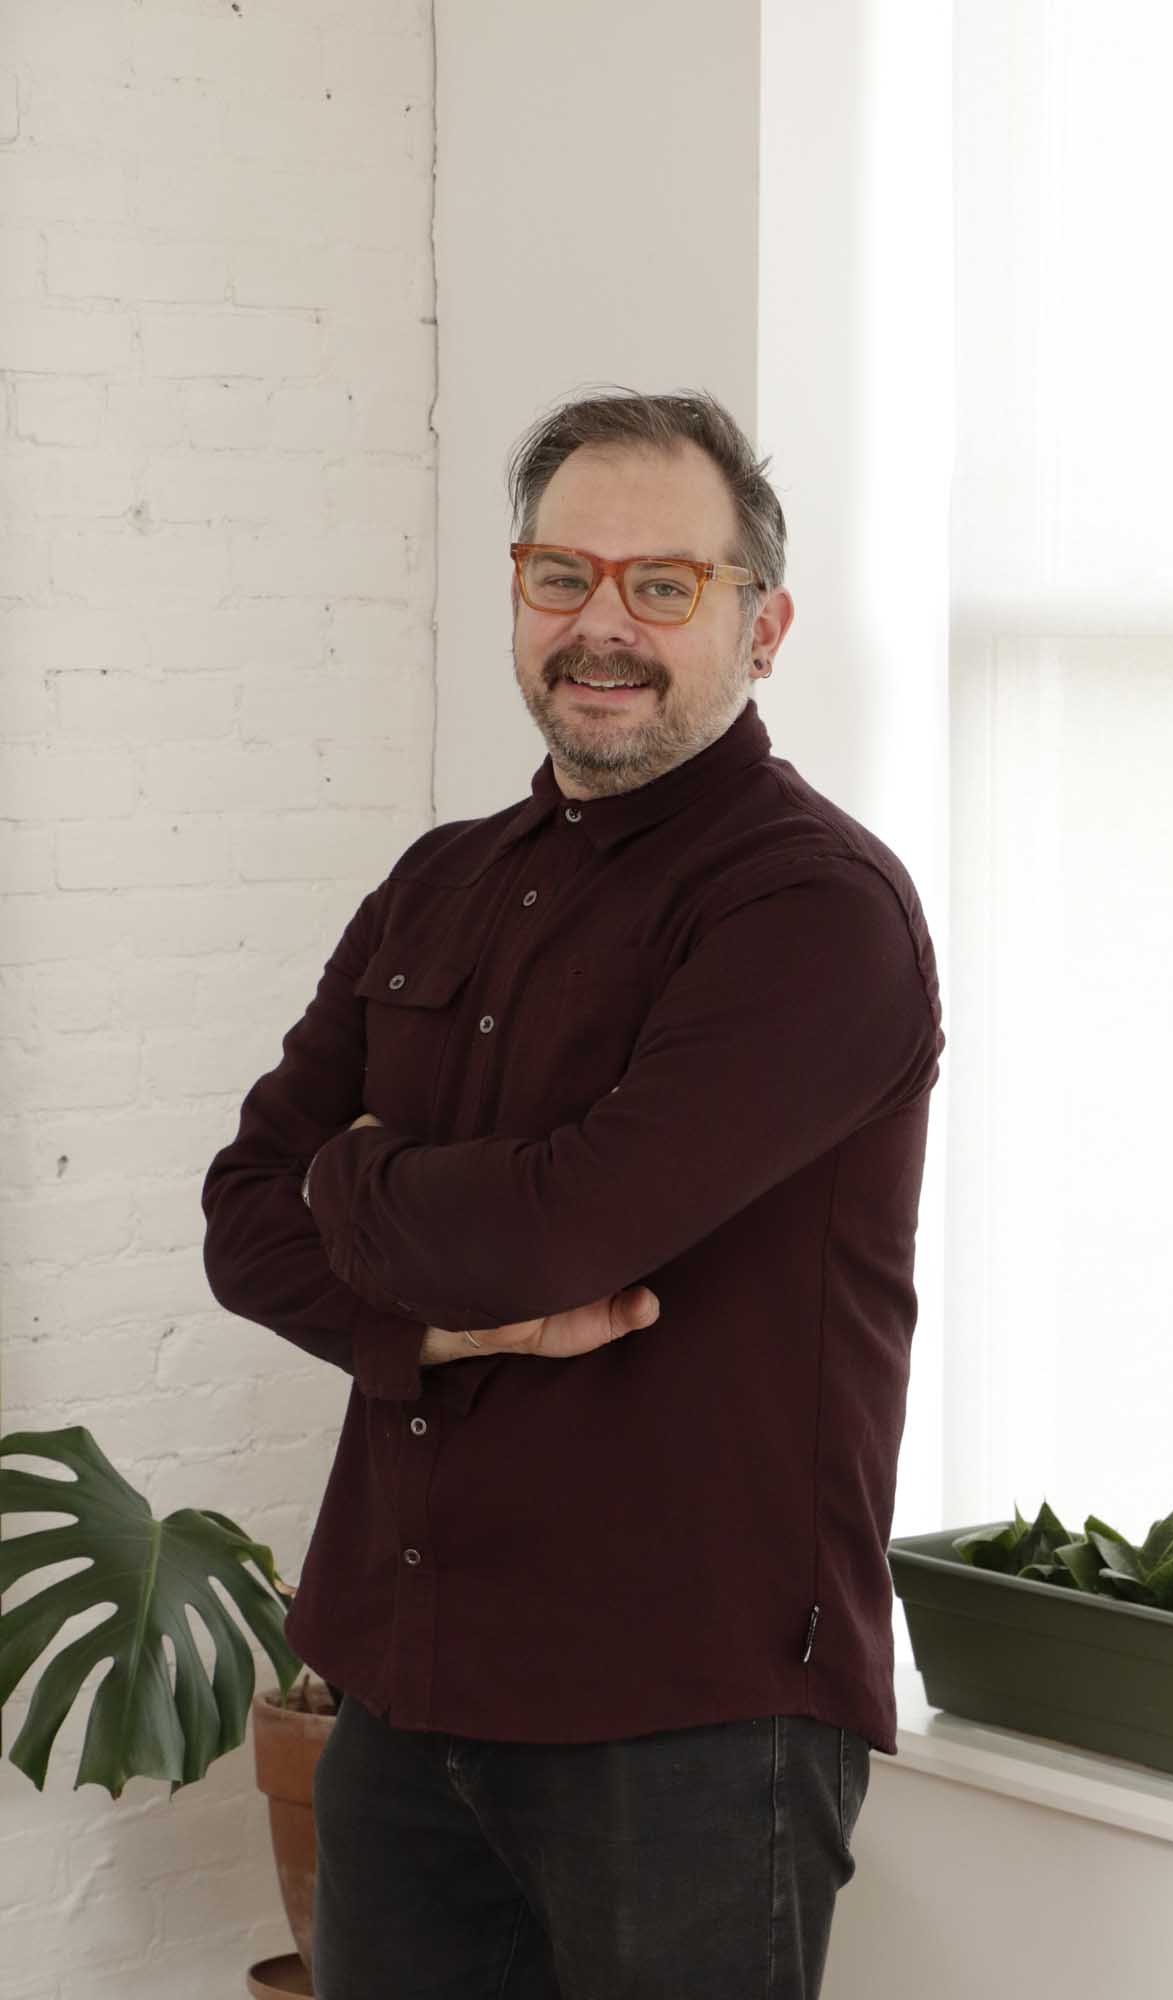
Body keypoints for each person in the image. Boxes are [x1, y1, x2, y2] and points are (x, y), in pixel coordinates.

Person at [201, 387, 945, 1999]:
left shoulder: (813, 911)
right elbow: (244, 1222)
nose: (602, 626)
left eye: (662, 584)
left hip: (687, 1718)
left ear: (762, 627)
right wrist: (443, 1328)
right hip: (404, 1685)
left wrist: (353, 1169)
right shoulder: (439, 879)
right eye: (562, 575)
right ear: (519, 594)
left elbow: (557, 1235)